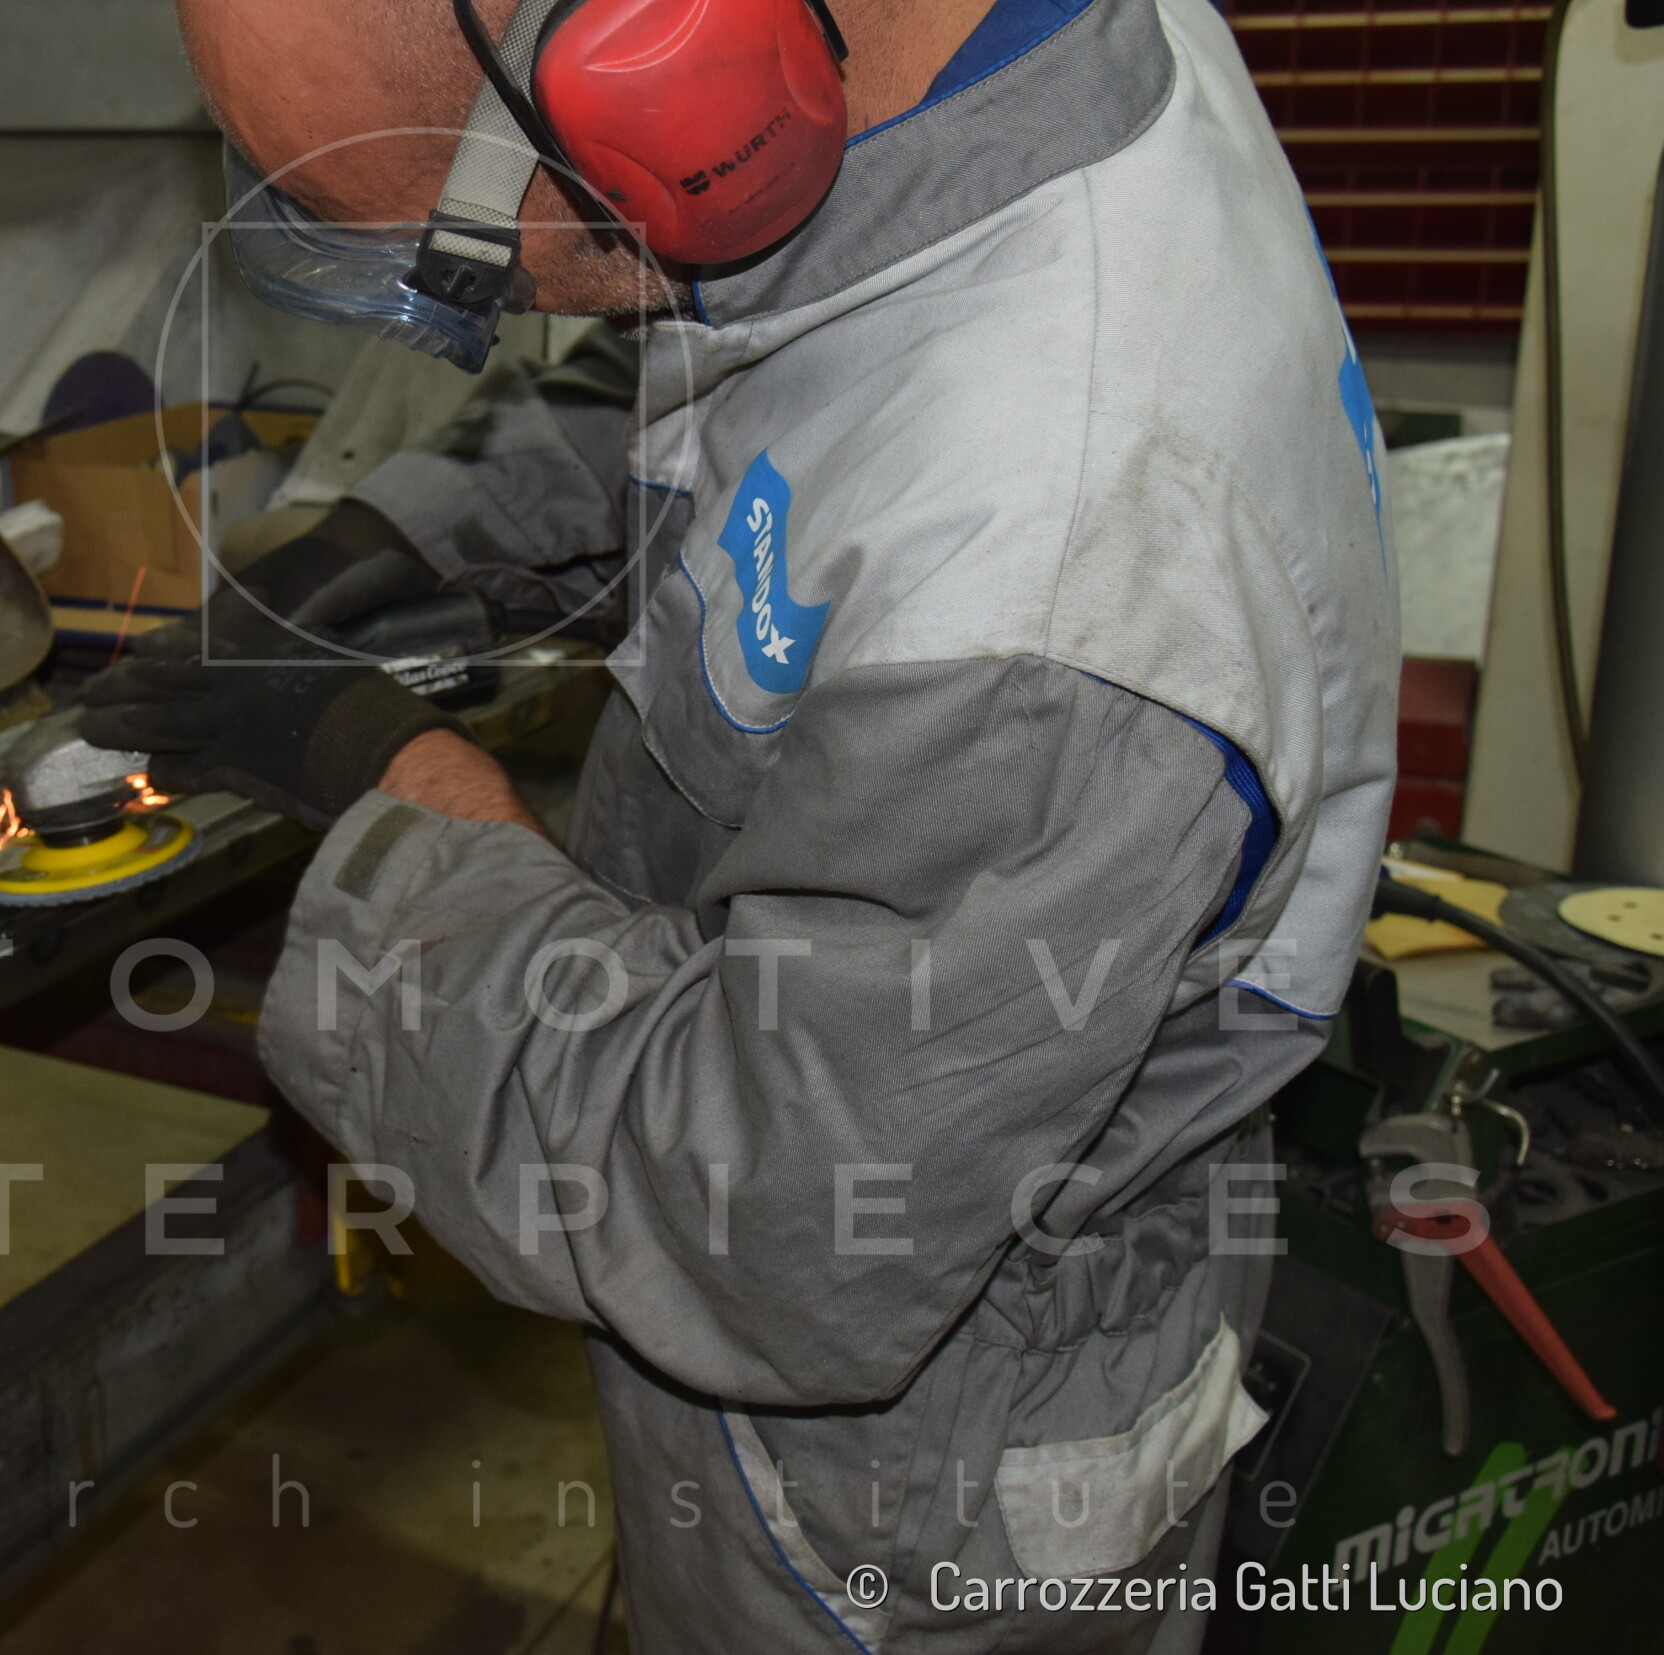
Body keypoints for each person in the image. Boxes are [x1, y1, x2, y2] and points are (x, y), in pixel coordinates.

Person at [78, 0, 1396, 1646]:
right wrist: (414, 527)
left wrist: (404, 788)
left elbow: (769, 1229)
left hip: (910, 1503)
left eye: (462, 260)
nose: (479, 309)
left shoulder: (1055, 596)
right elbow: (772, 353)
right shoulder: (946, 79)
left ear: (663, 69)